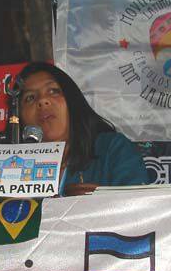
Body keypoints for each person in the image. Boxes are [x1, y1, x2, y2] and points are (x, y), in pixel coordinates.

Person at [16, 62, 149, 196]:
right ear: (18, 116)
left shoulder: (112, 148)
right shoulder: (11, 163)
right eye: (30, 98)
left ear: (72, 100)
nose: (42, 101)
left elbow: (138, 205)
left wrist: (96, 202)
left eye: (53, 91)